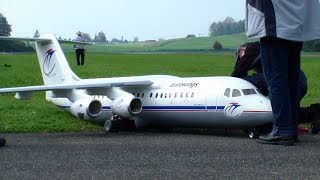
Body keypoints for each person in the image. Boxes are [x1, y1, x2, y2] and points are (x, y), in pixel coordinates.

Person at [245, 0, 320, 145]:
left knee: (276, 78)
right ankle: (290, 127)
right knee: (291, 78)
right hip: (296, 23)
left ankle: (283, 129)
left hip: (276, 23)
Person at [231, 41, 320, 135]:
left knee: (242, 83)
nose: (240, 58)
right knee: (286, 114)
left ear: (242, 49)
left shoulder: (251, 48)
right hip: (298, 81)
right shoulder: (262, 50)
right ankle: (313, 112)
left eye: (239, 55)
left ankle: (256, 119)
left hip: (282, 80)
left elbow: (237, 75)